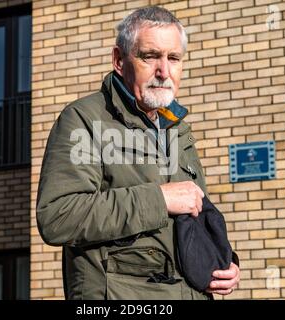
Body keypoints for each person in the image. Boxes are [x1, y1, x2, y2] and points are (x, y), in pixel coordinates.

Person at [36, 6, 240, 300]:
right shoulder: (84, 120)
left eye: (173, 58)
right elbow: (58, 216)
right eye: (150, 56)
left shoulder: (177, 128)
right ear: (119, 60)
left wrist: (224, 261)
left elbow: (193, 216)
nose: (164, 71)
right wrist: (159, 199)